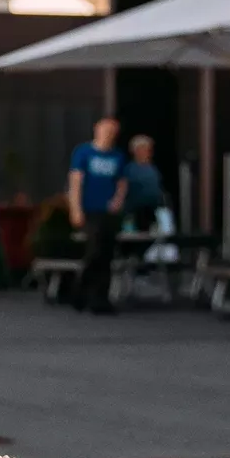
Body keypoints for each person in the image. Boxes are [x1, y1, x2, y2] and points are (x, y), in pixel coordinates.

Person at [68, 114, 128, 314]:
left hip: (108, 211)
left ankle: (100, 299)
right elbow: (76, 181)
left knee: (107, 254)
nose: (109, 134)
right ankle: (80, 292)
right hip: (89, 209)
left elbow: (122, 182)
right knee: (94, 251)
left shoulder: (117, 156)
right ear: (97, 129)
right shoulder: (84, 153)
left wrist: (118, 200)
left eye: (113, 131)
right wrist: (75, 208)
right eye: (106, 130)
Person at [120, 135, 165, 229]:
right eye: (143, 149)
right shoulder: (128, 169)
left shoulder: (154, 169)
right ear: (135, 151)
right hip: (133, 213)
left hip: (154, 212)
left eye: (149, 149)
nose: (148, 152)